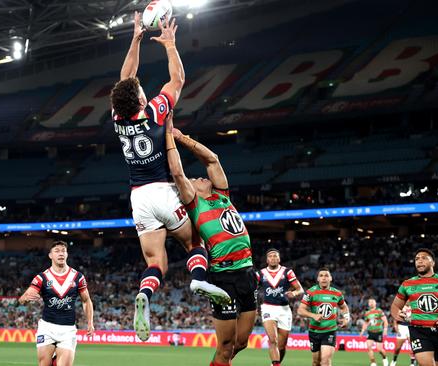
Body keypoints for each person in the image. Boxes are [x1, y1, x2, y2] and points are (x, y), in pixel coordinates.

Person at [109, 13, 229, 341]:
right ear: (141, 99)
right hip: (164, 189)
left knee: (156, 261)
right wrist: (171, 46)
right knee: (193, 241)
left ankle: (145, 296)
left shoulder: (118, 119)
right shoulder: (155, 110)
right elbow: (177, 79)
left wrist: (135, 38)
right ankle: (200, 278)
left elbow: (125, 80)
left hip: (138, 198)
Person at [165, 113, 256, 366]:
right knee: (225, 348)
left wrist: (182, 137)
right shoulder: (195, 204)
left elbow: (212, 159)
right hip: (223, 277)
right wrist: (168, 138)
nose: (202, 177)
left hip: (247, 271)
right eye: (198, 179)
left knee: (241, 343)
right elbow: (178, 173)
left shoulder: (223, 195)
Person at [18, 241, 94, 366]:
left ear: (67, 254)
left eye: (63, 250)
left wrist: (90, 322)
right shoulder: (41, 278)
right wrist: (26, 299)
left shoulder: (78, 277)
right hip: (47, 328)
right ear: (50, 255)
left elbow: (86, 300)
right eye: (57, 251)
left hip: (68, 330)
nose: (60, 253)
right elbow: (22, 299)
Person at [390, 248, 438, 366]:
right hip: (419, 331)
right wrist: (397, 315)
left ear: (433, 262)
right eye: (417, 259)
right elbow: (395, 307)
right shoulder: (407, 284)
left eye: (424, 258)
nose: (419, 261)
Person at [256, 248, 304, 366]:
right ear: (267, 260)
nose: (273, 258)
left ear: (279, 258)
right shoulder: (260, 273)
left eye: (275, 256)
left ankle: (275, 364)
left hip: (284, 310)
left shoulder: (287, 272)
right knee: (273, 340)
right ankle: (276, 364)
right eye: (270, 256)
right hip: (268, 308)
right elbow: (252, 289)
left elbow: (300, 289)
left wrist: (294, 293)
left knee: (282, 346)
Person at [297, 267, 350, 366]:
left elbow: (344, 307)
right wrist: (313, 315)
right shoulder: (310, 292)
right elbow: (300, 310)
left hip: (330, 331)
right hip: (314, 332)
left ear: (331, 278)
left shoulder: (337, 293)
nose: (324, 278)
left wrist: (346, 318)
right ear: (318, 279)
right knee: (316, 362)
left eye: (326, 275)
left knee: (325, 361)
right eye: (321, 276)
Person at [360, 298, 389, 366]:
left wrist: (385, 330)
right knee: (369, 347)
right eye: (370, 302)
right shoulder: (367, 313)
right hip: (370, 332)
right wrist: (362, 331)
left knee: (379, 349)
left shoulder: (379, 311)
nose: (371, 303)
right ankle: (373, 363)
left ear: (375, 303)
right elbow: (366, 323)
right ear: (368, 304)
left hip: (378, 332)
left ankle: (384, 358)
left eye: (373, 302)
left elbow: (385, 321)